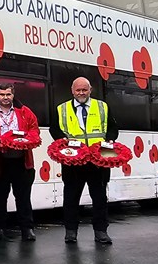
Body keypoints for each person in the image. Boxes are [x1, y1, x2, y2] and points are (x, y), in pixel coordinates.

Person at [49, 77, 119, 245]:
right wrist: (63, 141)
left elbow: (112, 128)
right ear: (72, 91)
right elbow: (54, 129)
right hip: (73, 161)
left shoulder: (102, 106)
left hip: (98, 161)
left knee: (100, 198)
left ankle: (101, 232)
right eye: (78, 90)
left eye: (84, 90)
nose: (81, 93)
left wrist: (109, 140)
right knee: (71, 198)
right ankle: (71, 232)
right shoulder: (61, 109)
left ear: (90, 90)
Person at [0, 83, 39, 242]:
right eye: (2, 95)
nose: (5, 98)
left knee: (23, 197)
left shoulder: (25, 111)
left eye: (8, 94)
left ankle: (27, 229)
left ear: (13, 95)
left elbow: (34, 129)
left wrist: (28, 139)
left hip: (21, 161)